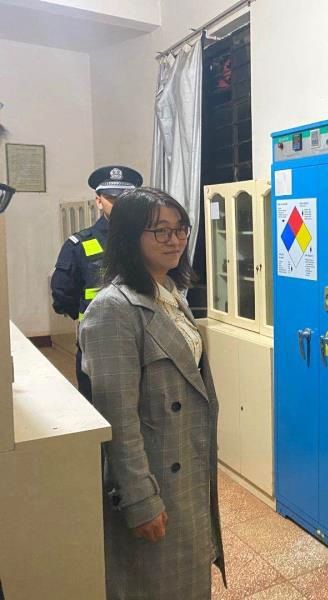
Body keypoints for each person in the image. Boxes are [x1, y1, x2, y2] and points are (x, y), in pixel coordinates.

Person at [79, 187, 225, 599]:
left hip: (187, 464)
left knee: (188, 577)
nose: (174, 240)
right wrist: (140, 499)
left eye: (180, 229)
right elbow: (118, 418)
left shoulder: (170, 294)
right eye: (160, 231)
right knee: (155, 584)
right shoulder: (113, 308)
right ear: (129, 236)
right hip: (155, 476)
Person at [51, 165, 143, 401]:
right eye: (112, 198)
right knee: (97, 404)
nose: (119, 205)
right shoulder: (79, 244)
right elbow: (62, 293)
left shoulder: (149, 239)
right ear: (99, 201)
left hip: (142, 338)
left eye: (126, 199)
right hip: (97, 339)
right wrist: (85, 315)